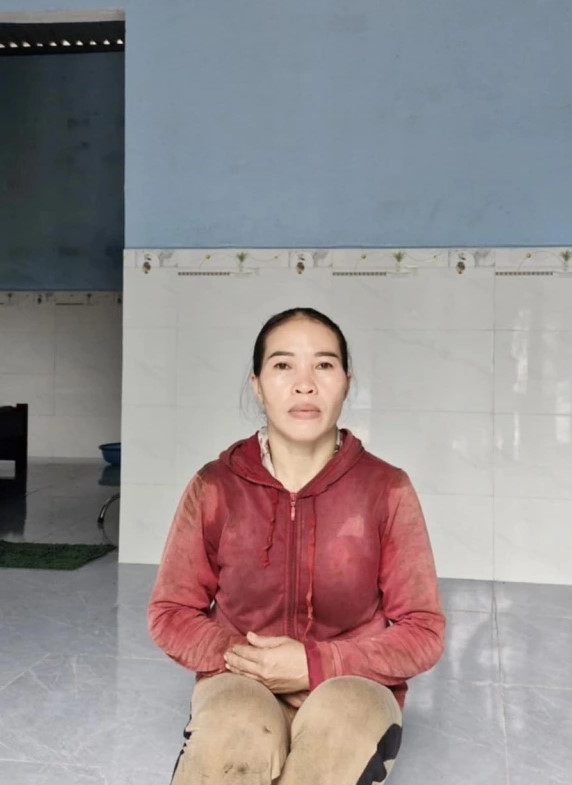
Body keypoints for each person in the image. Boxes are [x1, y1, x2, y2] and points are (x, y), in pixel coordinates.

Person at [148, 307, 446, 785]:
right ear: (257, 384)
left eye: (324, 365)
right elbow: (170, 613)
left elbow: (422, 631)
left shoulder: (387, 489)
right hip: (240, 679)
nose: (304, 384)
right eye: (283, 365)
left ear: (346, 383)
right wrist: (252, 661)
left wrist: (314, 665)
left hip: (353, 684)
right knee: (232, 735)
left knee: (339, 732)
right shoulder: (214, 486)